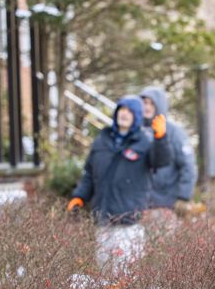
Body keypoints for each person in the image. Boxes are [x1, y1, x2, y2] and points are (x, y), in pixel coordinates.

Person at [68, 96, 171, 274]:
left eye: (129, 111)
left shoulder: (145, 142)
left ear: (137, 116)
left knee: (126, 275)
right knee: (104, 272)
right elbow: (89, 174)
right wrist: (79, 196)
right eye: (121, 109)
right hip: (103, 218)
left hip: (128, 223)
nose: (124, 114)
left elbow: (161, 161)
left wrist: (161, 138)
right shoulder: (102, 139)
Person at [139, 87, 198, 229]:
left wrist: (184, 196)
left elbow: (188, 165)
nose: (147, 107)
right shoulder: (136, 130)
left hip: (164, 204)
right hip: (138, 204)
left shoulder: (174, 132)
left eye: (151, 103)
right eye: (144, 103)